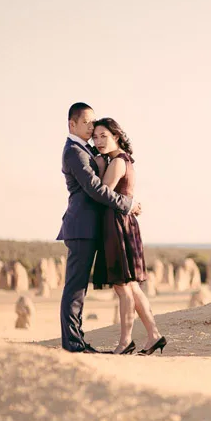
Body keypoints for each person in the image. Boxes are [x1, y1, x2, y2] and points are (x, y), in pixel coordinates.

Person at [57, 103, 141, 353]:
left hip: (91, 229)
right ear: (72, 124)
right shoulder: (73, 151)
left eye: (94, 123)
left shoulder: (87, 148)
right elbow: (95, 189)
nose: (91, 127)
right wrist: (127, 204)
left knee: (80, 289)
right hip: (81, 228)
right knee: (75, 288)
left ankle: (78, 340)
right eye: (87, 123)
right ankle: (72, 344)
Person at [91, 117, 167, 356]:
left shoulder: (116, 163)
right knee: (131, 287)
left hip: (116, 226)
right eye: (95, 137)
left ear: (116, 135)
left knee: (123, 288)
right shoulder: (125, 161)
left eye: (103, 135)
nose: (98, 141)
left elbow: (102, 194)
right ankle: (154, 335)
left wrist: (100, 167)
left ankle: (125, 342)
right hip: (122, 223)